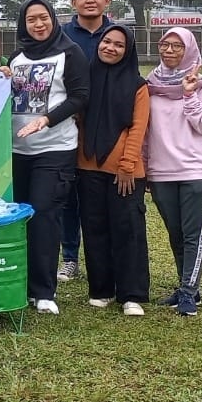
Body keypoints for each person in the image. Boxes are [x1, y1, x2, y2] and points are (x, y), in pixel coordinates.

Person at [8, 0, 90, 315]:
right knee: (17, 218)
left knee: (44, 215)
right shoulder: (16, 58)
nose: (38, 24)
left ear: (53, 19)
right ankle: (18, 282)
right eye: (31, 20)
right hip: (16, 150)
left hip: (54, 149)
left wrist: (47, 119)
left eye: (43, 18)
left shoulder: (70, 53)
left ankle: (43, 292)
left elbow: (81, 96)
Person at [76, 24, 150, 316]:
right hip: (87, 166)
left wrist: (127, 165)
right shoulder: (85, 78)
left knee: (128, 229)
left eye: (119, 45)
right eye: (107, 41)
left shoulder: (137, 85)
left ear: (128, 50)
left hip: (124, 171)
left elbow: (138, 127)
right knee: (94, 228)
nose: (110, 48)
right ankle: (101, 289)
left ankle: (131, 294)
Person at [145, 27, 202, 317]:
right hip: (162, 171)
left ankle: (188, 292)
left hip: (197, 169)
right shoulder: (151, 83)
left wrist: (189, 95)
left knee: (194, 235)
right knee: (175, 234)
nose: (170, 51)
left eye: (177, 46)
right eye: (165, 45)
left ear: (188, 50)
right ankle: (189, 288)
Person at [59, 0, 114, 284]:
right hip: (69, 124)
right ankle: (69, 257)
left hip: (106, 127)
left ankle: (102, 257)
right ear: (73, 2)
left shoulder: (117, 34)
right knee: (68, 194)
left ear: (107, 0)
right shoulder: (62, 35)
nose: (90, 0)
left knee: (99, 195)